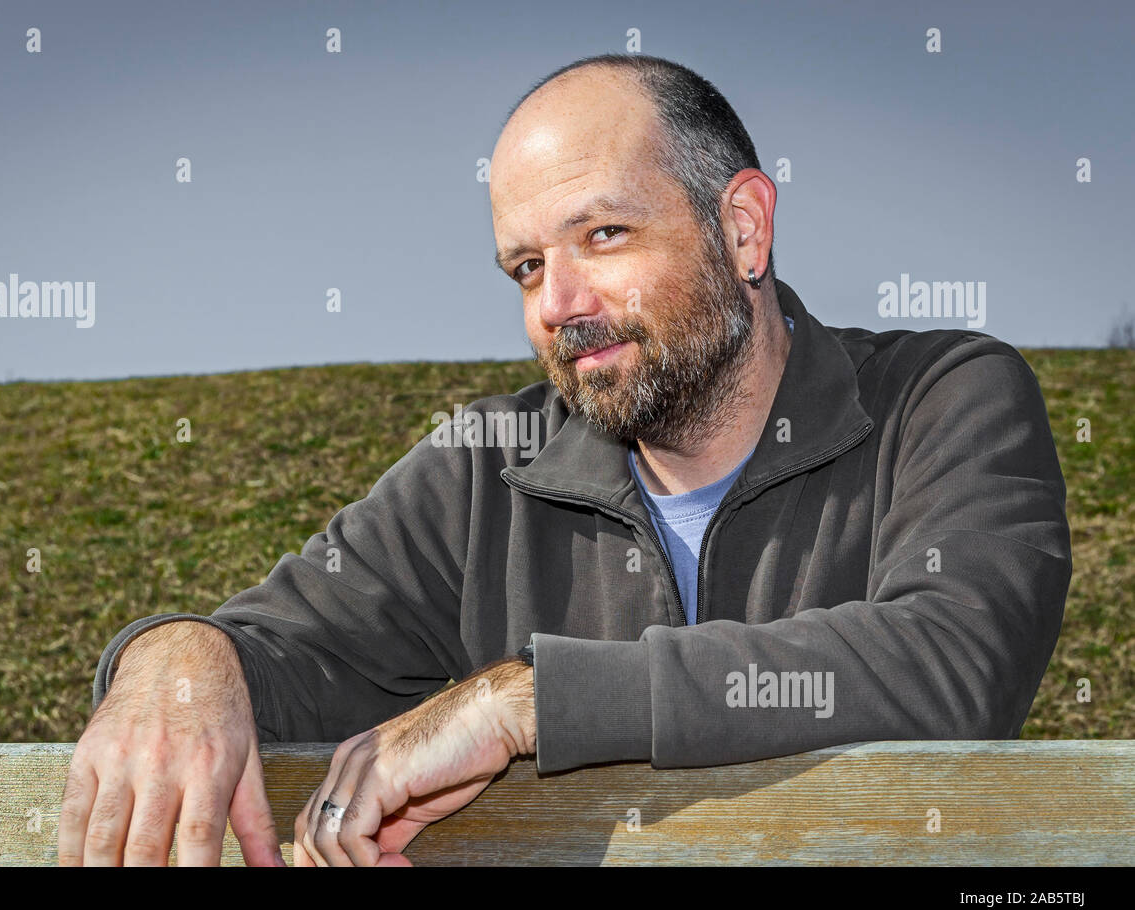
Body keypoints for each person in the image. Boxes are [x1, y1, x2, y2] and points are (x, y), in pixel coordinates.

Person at [57, 54, 1071, 867]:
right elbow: (289, 648)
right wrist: (179, 660)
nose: (558, 304)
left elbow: (951, 659)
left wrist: (523, 702)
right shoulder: (480, 469)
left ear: (744, 227)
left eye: (605, 233)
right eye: (528, 265)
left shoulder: (940, 397)